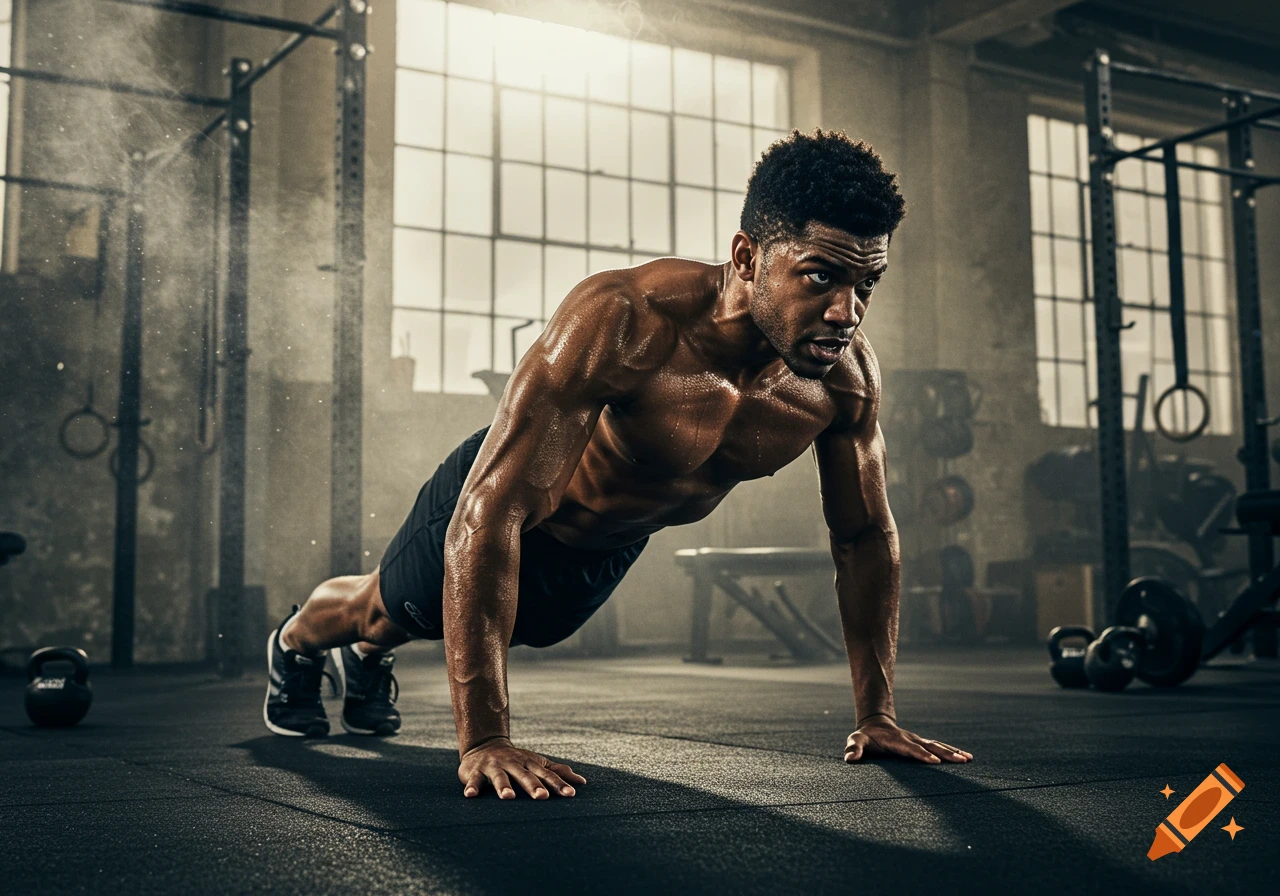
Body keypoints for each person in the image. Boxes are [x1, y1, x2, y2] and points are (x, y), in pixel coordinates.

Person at [263, 129, 974, 800]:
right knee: (384, 605)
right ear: (748, 256)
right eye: (819, 276)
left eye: (866, 286)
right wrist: (485, 739)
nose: (846, 312)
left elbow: (863, 537)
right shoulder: (627, 319)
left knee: (464, 625)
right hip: (500, 508)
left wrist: (876, 714)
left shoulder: (842, 379)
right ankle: (295, 644)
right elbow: (493, 511)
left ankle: (368, 656)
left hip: (600, 555)